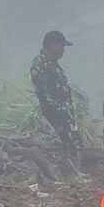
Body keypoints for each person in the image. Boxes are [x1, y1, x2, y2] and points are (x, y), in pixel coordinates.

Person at [29, 30, 82, 177]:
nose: (63, 50)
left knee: (72, 144)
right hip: (54, 117)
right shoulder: (40, 64)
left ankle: (71, 173)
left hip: (64, 116)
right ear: (52, 45)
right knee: (59, 146)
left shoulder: (53, 65)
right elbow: (44, 95)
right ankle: (61, 175)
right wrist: (59, 113)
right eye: (61, 46)